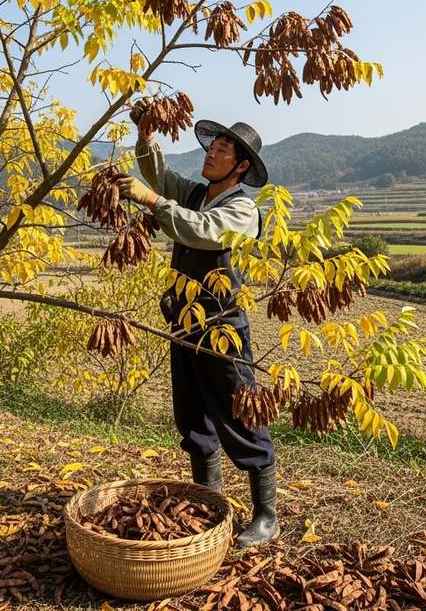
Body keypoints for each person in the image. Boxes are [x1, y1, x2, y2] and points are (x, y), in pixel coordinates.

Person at [116, 103, 279, 548]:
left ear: (241, 166)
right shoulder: (194, 194)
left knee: (239, 414)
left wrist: (150, 201)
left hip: (221, 328)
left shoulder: (242, 209)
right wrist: (147, 138)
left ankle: (266, 514)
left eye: (224, 149)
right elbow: (161, 180)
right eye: (214, 145)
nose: (212, 153)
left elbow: (201, 231)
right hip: (183, 324)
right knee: (192, 416)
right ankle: (211, 502)